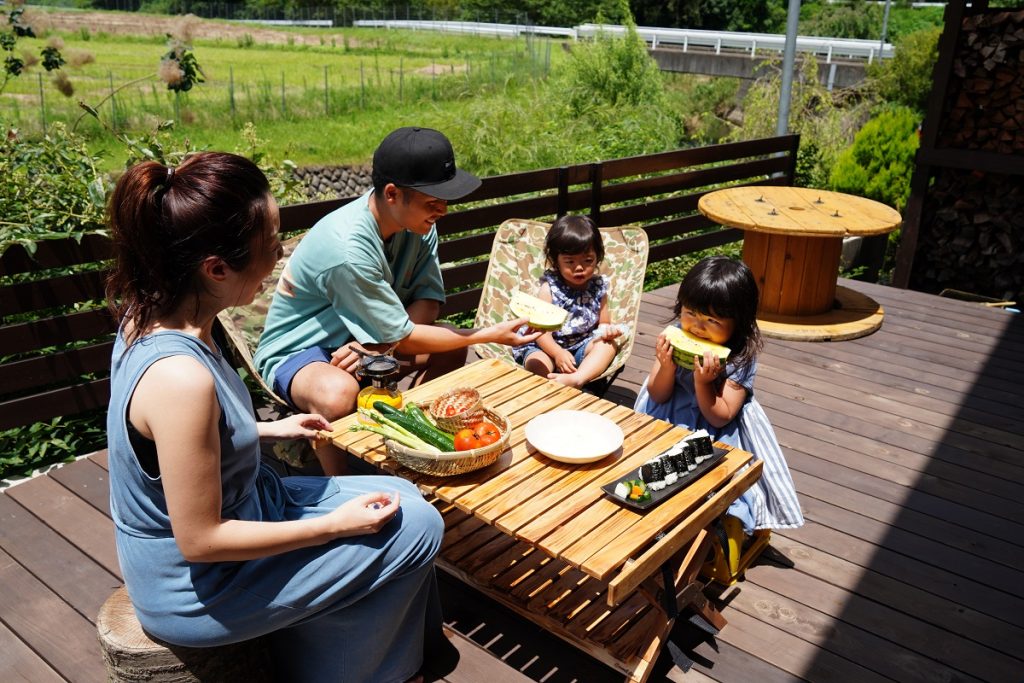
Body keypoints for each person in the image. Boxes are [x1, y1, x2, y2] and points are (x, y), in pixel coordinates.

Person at [105, 151, 446, 683]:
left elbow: (168, 445)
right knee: (419, 529)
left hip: (250, 507)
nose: (280, 259)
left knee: (407, 499)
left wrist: (265, 428)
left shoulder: (154, 312)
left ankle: (389, 657)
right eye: (270, 246)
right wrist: (334, 527)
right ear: (216, 268)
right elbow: (201, 540)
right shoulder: (179, 377)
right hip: (199, 585)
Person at [254, 126, 539, 474]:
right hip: (302, 351)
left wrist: (377, 344)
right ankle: (340, 481)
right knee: (338, 392)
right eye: (432, 201)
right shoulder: (348, 248)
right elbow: (404, 337)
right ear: (392, 193)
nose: (443, 211)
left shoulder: (419, 225)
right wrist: (487, 334)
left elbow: (428, 303)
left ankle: (412, 433)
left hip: (372, 341)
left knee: (449, 346)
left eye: (445, 200)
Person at [634, 256, 804, 535]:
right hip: (668, 414)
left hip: (715, 430)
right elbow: (658, 394)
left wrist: (703, 383)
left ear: (738, 322)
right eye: (690, 313)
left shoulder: (741, 357)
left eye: (712, 319)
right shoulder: (677, 333)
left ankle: (717, 522)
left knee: (712, 482)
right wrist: (666, 366)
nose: (697, 327)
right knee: (649, 467)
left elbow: (722, 415)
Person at [511, 214, 624, 388]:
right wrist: (557, 353)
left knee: (608, 345)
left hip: (581, 346)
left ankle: (578, 378)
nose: (579, 267)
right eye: (570, 261)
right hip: (545, 346)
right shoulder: (549, 289)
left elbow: (604, 323)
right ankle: (549, 386)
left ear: (597, 257)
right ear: (556, 261)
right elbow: (540, 332)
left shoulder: (598, 287)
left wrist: (607, 332)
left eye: (588, 260)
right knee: (536, 362)